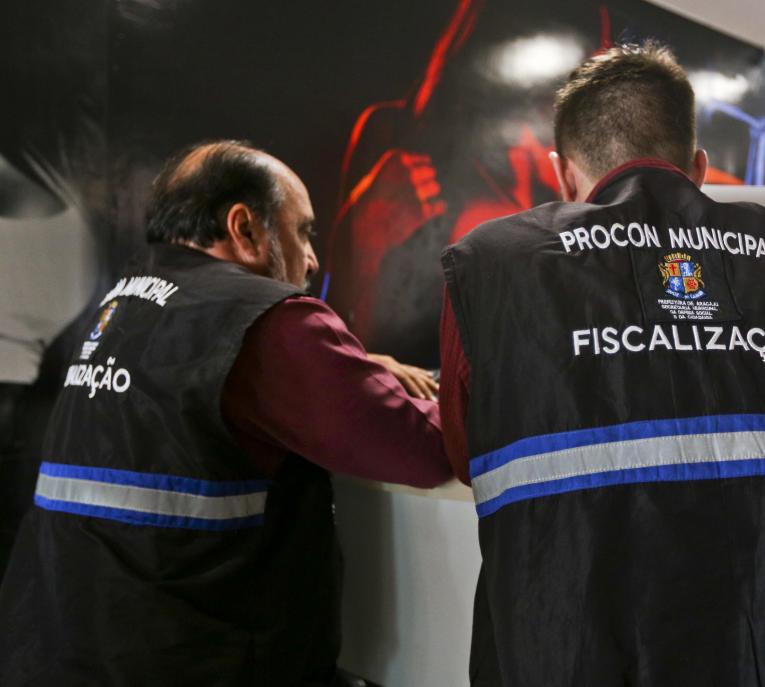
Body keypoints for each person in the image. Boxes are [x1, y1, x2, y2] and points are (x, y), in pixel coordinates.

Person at [440, 42, 765, 686]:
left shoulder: (490, 265)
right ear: (698, 168)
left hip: (574, 647)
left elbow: (465, 455)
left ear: (564, 174)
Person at [0, 140, 451, 686]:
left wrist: (344, 367)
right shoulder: (268, 320)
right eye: (303, 232)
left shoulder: (122, 305)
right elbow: (424, 449)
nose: (312, 259)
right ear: (245, 229)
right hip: (197, 660)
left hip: (63, 651)